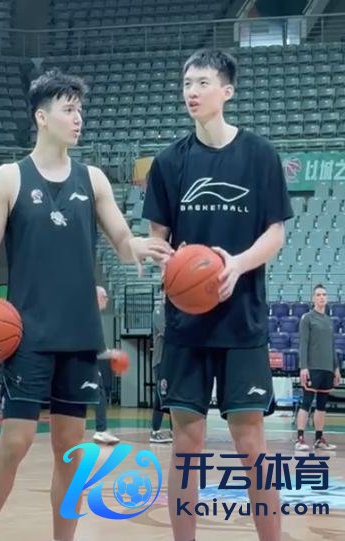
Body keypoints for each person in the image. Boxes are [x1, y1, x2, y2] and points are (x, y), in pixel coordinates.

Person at [0, 68, 172, 541]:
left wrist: (140, 245)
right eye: (69, 109)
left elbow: (121, 239)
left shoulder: (93, 179)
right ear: (42, 117)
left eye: (80, 110)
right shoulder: (9, 178)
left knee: (70, 450)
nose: (78, 118)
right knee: (15, 442)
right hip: (28, 333)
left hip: (79, 333)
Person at [142, 49, 293, 541]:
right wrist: (171, 263)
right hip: (186, 325)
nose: (192, 91)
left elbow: (276, 232)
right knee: (186, 445)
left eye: (203, 82)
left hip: (242, 320)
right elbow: (158, 240)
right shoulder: (168, 162)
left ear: (227, 91)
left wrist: (237, 264)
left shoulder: (260, 155)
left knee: (251, 446)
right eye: (187, 82)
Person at [295, 284, 340, 451]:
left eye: (324, 295)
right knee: (306, 402)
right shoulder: (307, 318)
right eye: (318, 295)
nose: (321, 297)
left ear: (327, 298)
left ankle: (319, 439)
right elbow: (303, 344)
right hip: (312, 368)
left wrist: (336, 368)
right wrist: (303, 367)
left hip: (327, 369)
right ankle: (300, 439)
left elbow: (332, 346)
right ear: (313, 298)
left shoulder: (329, 321)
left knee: (322, 405)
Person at [93, 285, 120, 445]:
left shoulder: (94, 315)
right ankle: (100, 430)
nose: (107, 299)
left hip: (87, 359)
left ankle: (101, 430)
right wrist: (113, 353)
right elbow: (98, 349)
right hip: (84, 361)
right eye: (104, 296)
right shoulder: (92, 316)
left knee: (99, 393)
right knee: (100, 393)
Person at [150, 286, 172, 444]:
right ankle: (155, 431)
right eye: (164, 292)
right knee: (160, 395)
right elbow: (168, 332)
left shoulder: (176, 312)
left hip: (172, 361)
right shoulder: (158, 312)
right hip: (161, 361)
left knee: (173, 396)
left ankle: (173, 430)